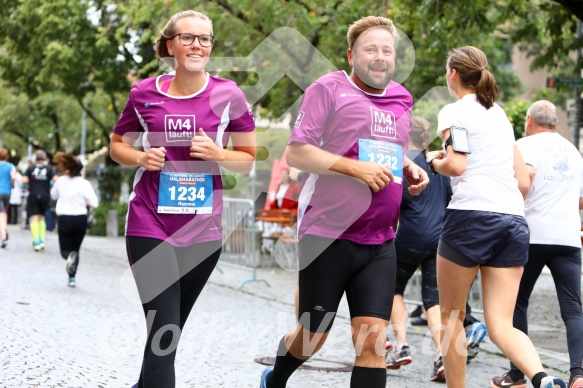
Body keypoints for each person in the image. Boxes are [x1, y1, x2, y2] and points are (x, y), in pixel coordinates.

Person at [260, 16, 429, 388]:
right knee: (311, 337)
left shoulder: (402, 99)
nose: (380, 57)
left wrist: (409, 168)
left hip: (381, 239)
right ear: (352, 55)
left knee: (371, 344)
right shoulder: (328, 89)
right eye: (371, 49)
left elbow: (390, 150)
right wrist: (356, 170)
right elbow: (298, 154)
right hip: (328, 234)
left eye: (388, 50)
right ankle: (276, 378)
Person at [110, 10, 255, 387]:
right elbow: (116, 145)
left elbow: (247, 159)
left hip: (203, 232)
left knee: (166, 334)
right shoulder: (143, 93)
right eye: (188, 37)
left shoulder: (229, 95)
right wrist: (141, 157)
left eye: (205, 39)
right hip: (149, 221)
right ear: (170, 45)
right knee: (165, 331)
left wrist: (219, 154)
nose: (197, 45)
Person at [426, 46, 565, 388]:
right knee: (502, 324)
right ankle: (542, 378)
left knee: (451, 317)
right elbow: (522, 183)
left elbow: (457, 164)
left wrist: (434, 161)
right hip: (513, 221)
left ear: (453, 75)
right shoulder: (501, 116)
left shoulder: (454, 112)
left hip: (471, 218)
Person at [491, 101, 583, 388]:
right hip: (568, 238)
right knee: (573, 308)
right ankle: (579, 374)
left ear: (529, 119)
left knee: (516, 302)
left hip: (532, 236)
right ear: (554, 122)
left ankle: (517, 374)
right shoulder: (574, 151)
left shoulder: (525, 144)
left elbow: (526, 176)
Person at [384, 116, 451, 382]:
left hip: (410, 237)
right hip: (439, 239)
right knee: (432, 299)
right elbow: (448, 198)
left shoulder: (402, 164)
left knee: (392, 287)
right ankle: (440, 354)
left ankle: (401, 346)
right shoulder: (438, 165)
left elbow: (394, 200)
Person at [50, 153, 99, 288]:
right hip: (80, 219)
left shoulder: (60, 181)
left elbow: (53, 196)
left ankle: (68, 258)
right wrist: (86, 201)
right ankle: (72, 278)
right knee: (76, 249)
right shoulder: (84, 183)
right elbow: (95, 202)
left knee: (65, 250)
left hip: (64, 218)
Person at [22, 149, 56, 251]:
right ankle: (42, 240)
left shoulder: (31, 168)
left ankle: (36, 241)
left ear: (35, 158)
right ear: (45, 158)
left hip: (33, 194)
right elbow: (55, 179)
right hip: (45, 195)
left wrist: (32, 180)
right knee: (42, 217)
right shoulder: (49, 168)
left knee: (33, 218)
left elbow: (24, 180)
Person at [0, 147, 16, 248]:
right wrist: (11, 184)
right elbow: (13, 177)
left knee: (1, 213)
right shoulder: (10, 166)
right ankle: (4, 229)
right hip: (7, 192)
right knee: (3, 212)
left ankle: (3, 236)